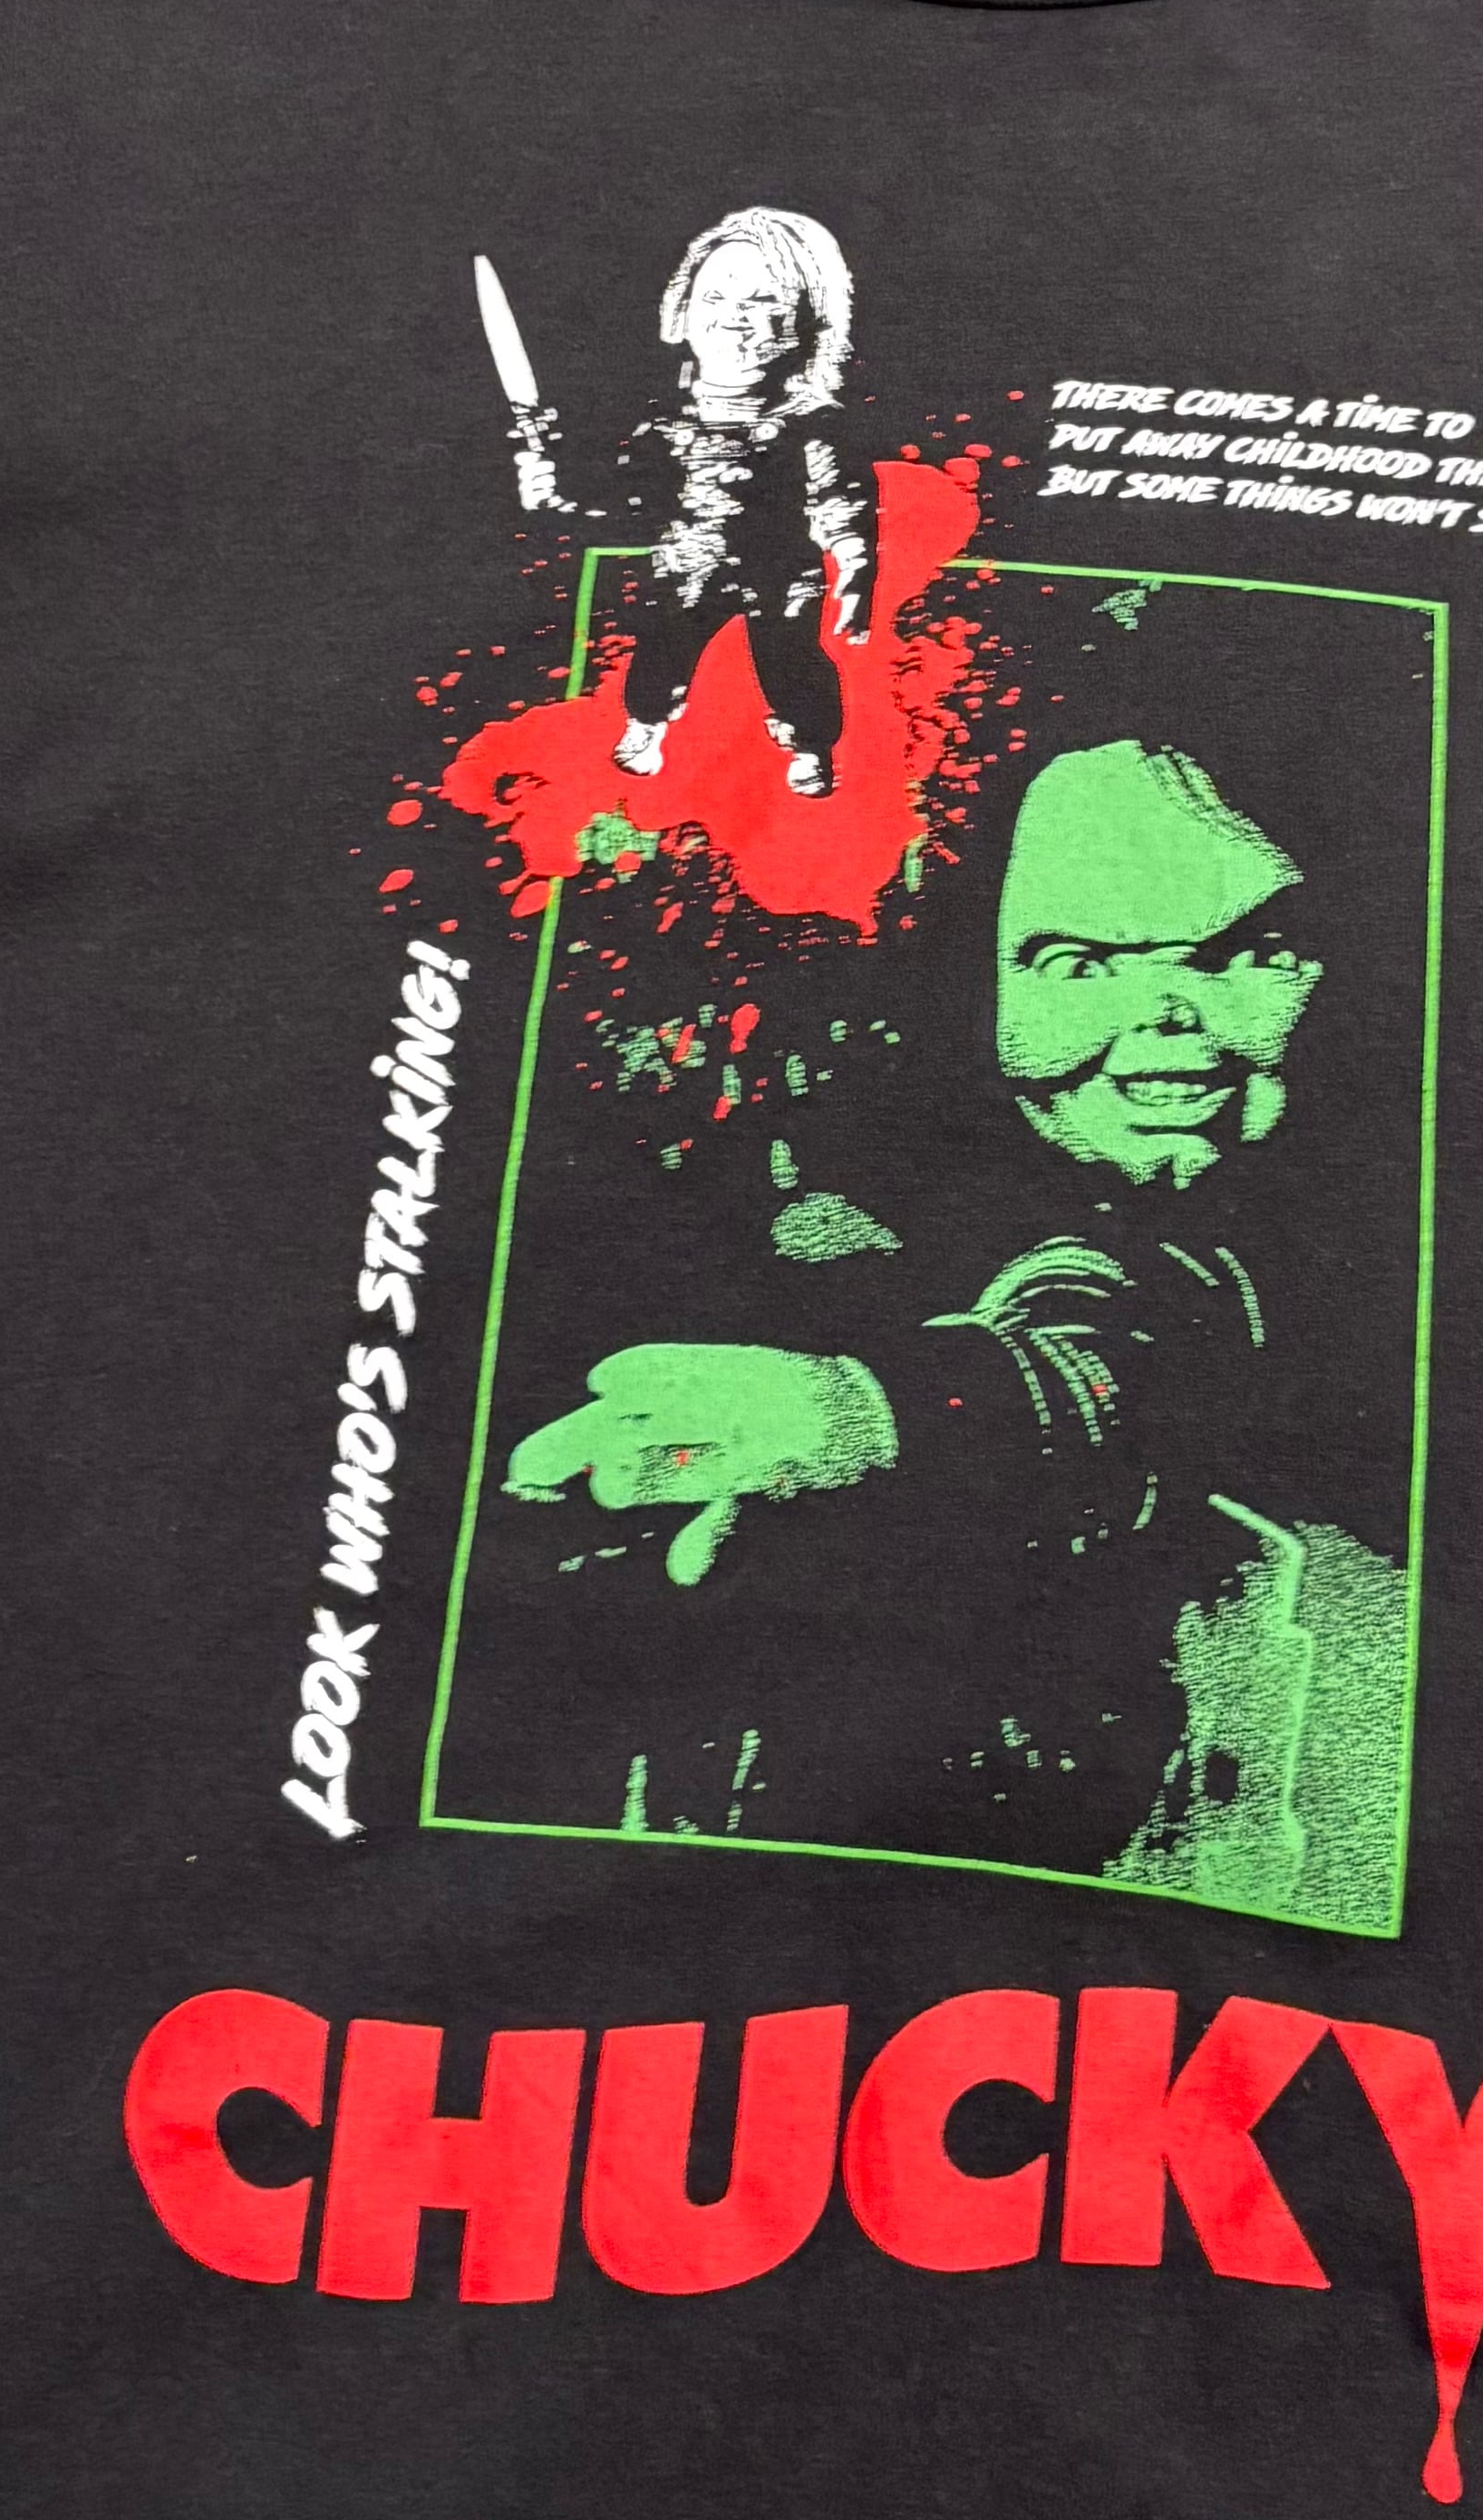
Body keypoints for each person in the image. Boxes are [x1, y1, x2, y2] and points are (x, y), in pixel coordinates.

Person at [499, 741, 1410, 1921]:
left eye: (1239, 952)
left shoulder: (1385, 1212)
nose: (1167, 1015)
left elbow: (1141, 1321)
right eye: (1080, 963)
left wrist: (877, 1412)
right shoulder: (866, 1214)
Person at [596, 203, 869, 800]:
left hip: (782, 570)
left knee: (791, 661)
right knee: (664, 646)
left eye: (763, 301)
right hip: (687, 561)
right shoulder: (661, 420)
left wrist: (853, 557)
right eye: (714, 298)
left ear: (805, 323)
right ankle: (646, 722)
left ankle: (811, 743)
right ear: (682, 310)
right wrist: (556, 491)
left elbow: (837, 493)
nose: (733, 318)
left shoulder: (809, 421)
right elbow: (623, 496)